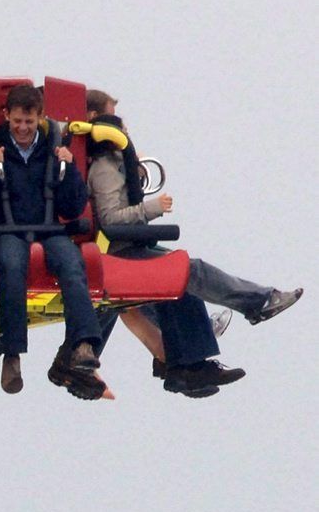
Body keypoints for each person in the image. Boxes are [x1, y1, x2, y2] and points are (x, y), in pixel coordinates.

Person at [84, 89, 301, 395]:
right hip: (114, 252)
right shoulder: (104, 166)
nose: (125, 130)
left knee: (175, 279)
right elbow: (111, 219)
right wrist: (152, 207)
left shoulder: (108, 163)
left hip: (118, 249)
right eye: (118, 122)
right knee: (187, 270)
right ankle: (257, 303)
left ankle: (188, 364)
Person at [0, 83, 109, 398]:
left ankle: (83, 343)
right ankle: (12, 352)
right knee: (11, 266)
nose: (23, 128)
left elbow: (72, 205)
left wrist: (68, 170)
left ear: (39, 118)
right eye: (17, 122)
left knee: (71, 264)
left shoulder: (52, 150)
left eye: (29, 122)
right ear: (7, 116)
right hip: (9, 230)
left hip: (48, 228)